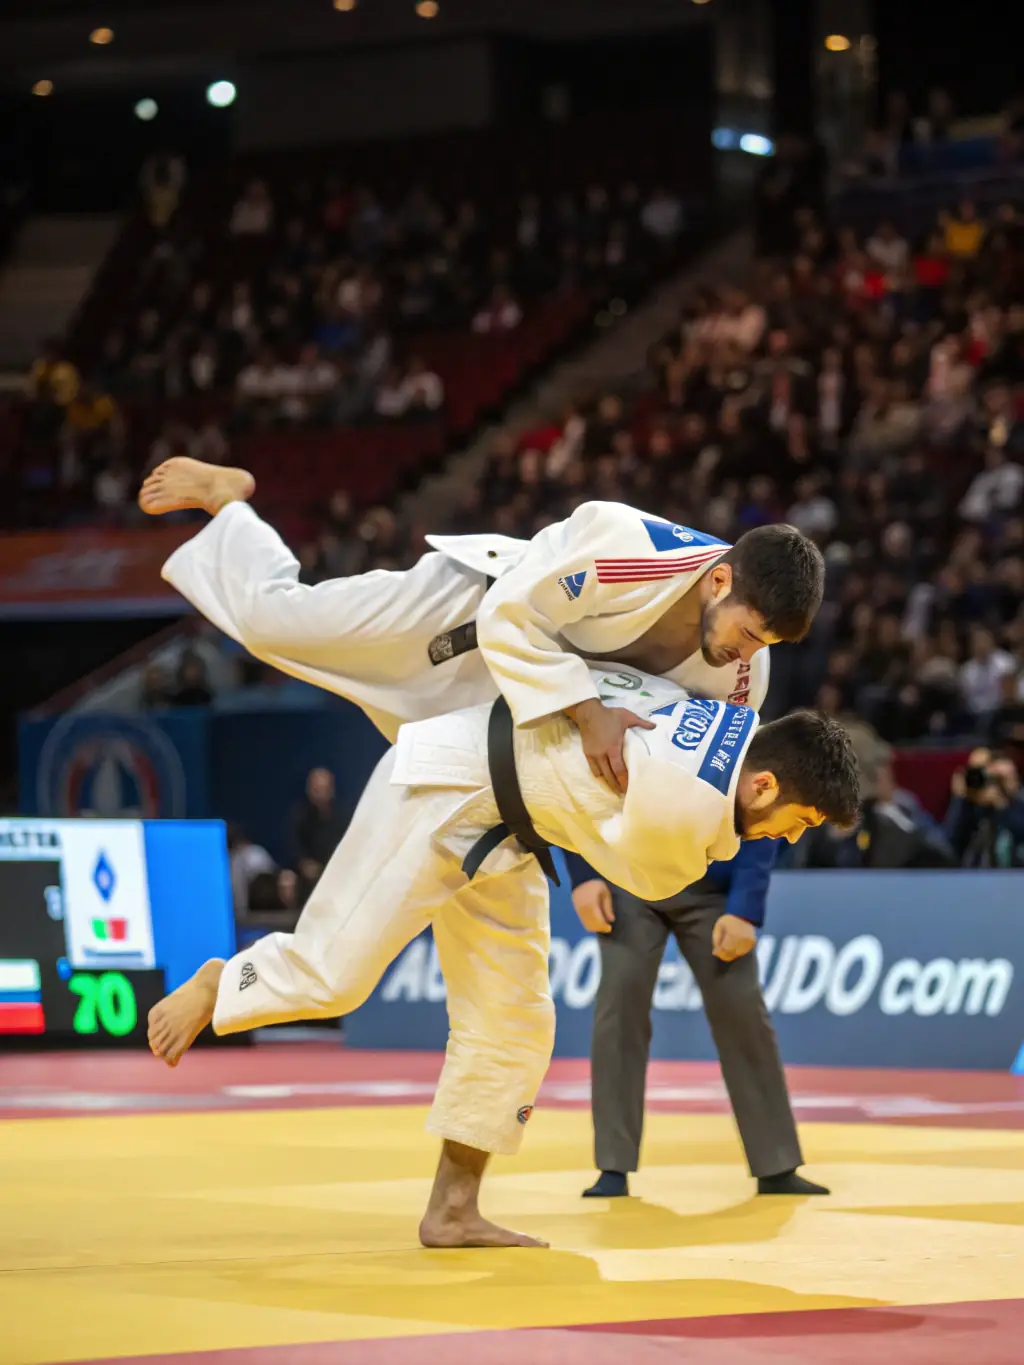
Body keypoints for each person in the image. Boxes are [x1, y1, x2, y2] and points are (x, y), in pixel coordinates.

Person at [147, 665, 859, 1249]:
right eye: (796, 823)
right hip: (446, 789)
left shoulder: (725, 718)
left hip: (511, 833)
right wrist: (722, 840)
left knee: (516, 1022)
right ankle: (225, 979)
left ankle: (453, 1207)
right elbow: (647, 876)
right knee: (333, 975)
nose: (789, 839)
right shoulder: (693, 802)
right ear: (762, 783)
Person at [137, 459, 825, 782]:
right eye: (749, 629)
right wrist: (589, 715)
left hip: (508, 704)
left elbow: (691, 766)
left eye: (765, 643)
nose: (747, 651)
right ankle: (230, 504)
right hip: (461, 610)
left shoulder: (744, 678)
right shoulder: (631, 546)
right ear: (720, 578)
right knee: (271, 624)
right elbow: (509, 615)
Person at [568, 839, 828, 1201]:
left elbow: (761, 818)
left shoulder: (749, 779)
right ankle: (613, 1165)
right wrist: (584, 874)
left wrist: (744, 909)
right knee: (618, 1008)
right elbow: (580, 793)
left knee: (742, 1012)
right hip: (630, 880)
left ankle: (776, 1164)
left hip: (711, 887)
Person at [294, 766, 349, 901]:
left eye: (324, 788)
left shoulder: (342, 816)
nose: (321, 793)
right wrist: (304, 863)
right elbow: (294, 846)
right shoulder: (300, 816)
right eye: (317, 789)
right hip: (310, 875)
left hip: (337, 870)